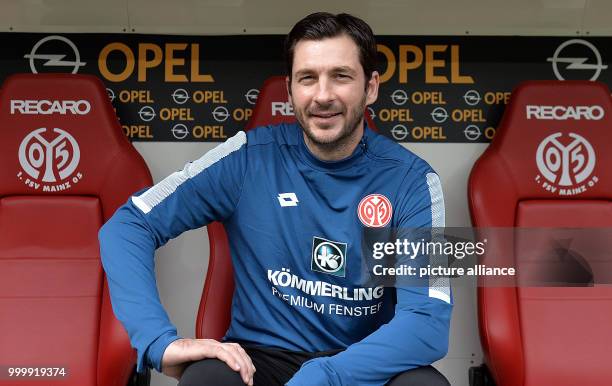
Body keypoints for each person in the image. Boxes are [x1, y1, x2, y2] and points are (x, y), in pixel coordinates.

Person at [99, 12, 452, 386]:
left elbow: (428, 322)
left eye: (341, 76)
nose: (323, 95)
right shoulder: (248, 157)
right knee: (206, 379)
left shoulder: (413, 180)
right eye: (307, 78)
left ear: (371, 86)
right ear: (289, 91)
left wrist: (326, 374)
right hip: (260, 361)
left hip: (362, 364)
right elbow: (127, 226)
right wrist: (158, 342)